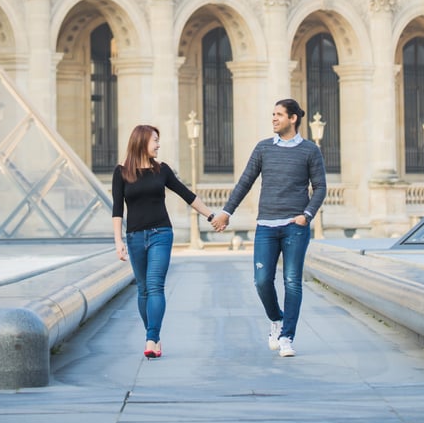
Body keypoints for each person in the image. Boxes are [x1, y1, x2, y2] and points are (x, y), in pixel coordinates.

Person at [211, 99, 326, 358]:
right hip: (266, 226)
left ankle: (287, 336)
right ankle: (276, 319)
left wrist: (307, 215)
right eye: (272, 114)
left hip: (295, 226)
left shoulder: (309, 150)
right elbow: (245, 182)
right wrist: (227, 212)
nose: (273, 119)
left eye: (279, 115)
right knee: (262, 281)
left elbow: (320, 187)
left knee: (292, 281)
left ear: (293, 118)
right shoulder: (263, 148)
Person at [112, 124, 215, 358]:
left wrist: (210, 215)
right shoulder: (121, 172)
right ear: (141, 142)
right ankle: (155, 337)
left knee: (155, 284)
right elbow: (117, 210)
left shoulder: (162, 170)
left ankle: (150, 339)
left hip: (161, 233)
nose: (158, 145)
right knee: (143, 289)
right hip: (135, 236)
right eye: (155, 140)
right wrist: (118, 241)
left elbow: (187, 195)